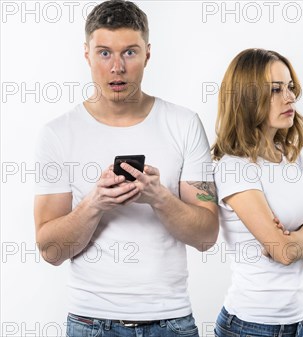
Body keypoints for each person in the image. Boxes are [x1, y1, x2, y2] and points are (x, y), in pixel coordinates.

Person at [33, 1, 218, 336]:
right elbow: (50, 250)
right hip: (91, 322)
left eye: (129, 53)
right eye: (104, 53)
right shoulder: (57, 134)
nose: (117, 67)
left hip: (171, 321)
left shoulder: (184, 123)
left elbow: (207, 237)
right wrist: (94, 204)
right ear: (87, 55)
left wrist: (160, 197)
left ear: (147, 54)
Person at [212, 48, 303, 337]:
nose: (289, 97)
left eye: (289, 87)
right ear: (247, 98)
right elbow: (283, 253)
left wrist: (298, 238)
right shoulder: (234, 168)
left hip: (297, 323)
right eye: (275, 89)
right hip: (250, 327)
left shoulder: (293, 158)